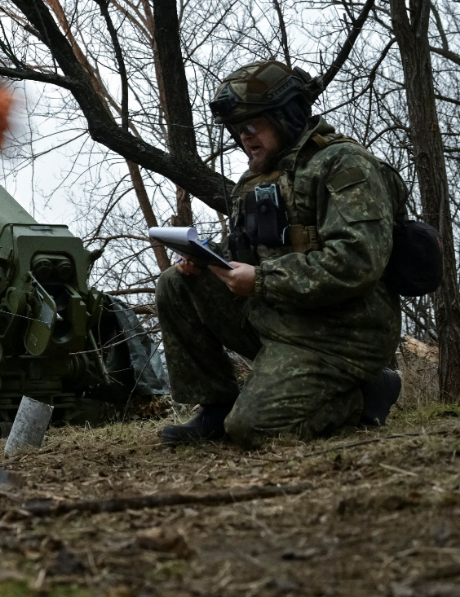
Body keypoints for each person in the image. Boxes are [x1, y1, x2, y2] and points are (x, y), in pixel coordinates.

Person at [156, 60, 403, 449]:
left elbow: (357, 261)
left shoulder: (343, 164)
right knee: (176, 284)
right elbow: (247, 251)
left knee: (254, 429)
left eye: (252, 126)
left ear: (284, 115)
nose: (244, 138)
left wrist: (264, 280)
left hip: (342, 333)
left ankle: (366, 392)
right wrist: (206, 258)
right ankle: (217, 408)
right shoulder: (256, 177)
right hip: (281, 317)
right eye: (238, 130)